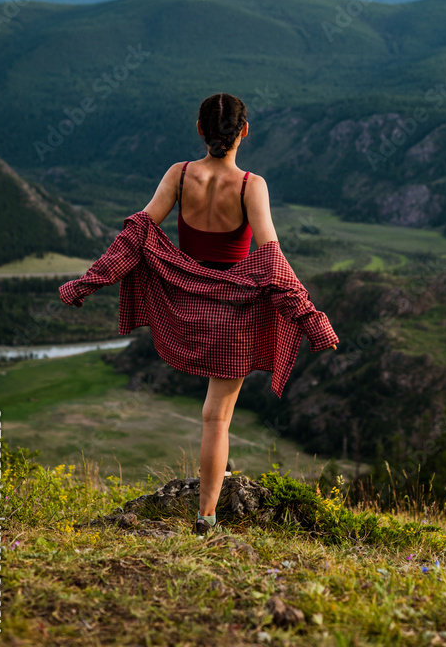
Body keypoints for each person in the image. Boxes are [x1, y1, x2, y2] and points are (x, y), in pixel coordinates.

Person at [141, 92, 337, 536]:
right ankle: (206, 518)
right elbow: (271, 258)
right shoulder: (252, 185)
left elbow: (139, 230)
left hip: (187, 307)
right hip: (234, 316)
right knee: (217, 418)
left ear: (199, 129)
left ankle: (206, 509)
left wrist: (90, 280)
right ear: (244, 132)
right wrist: (309, 317)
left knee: (212, 417)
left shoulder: (178, 174)